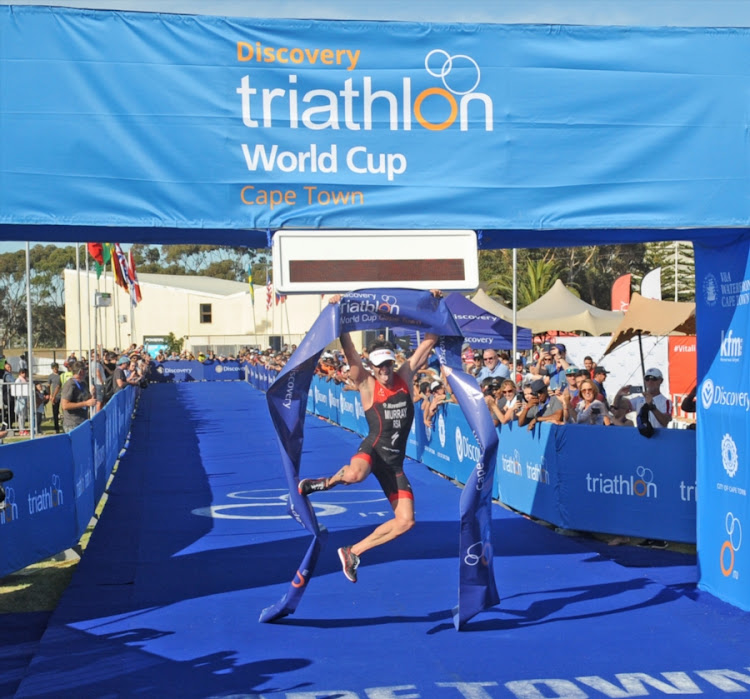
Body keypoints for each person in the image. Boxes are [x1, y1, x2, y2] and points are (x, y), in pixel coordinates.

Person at [298, 293, 440, 583]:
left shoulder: (405, 374)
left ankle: (353, 552)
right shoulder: (367, 383)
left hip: (394, 464)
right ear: (372, 368)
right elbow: (350, 352)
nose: (385, 371)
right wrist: (339, 312)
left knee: (406, 522)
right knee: (355, 475)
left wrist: (434, 303)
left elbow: (430, 341)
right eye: (380, 367)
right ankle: (325, 483)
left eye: (388, 364)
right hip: (373, 450)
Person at [60, 361, 97, 433]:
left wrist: (93, 394)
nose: (86, 372)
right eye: (85, 370)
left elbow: (88, 399)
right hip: (73, 424)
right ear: (80, 371)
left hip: (83, 421)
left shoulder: (83, 383)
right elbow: (65, 405)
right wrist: (85, 403)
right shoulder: (70, 385)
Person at [48, 362, 62, 433]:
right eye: (53, 368)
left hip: (62, 394)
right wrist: (50, 395)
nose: (55, 369)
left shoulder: (62, 374)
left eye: (56, 368)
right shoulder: (51, 376)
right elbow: (49, 385)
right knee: (55, 412)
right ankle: (56, 428)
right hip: (55, 396)